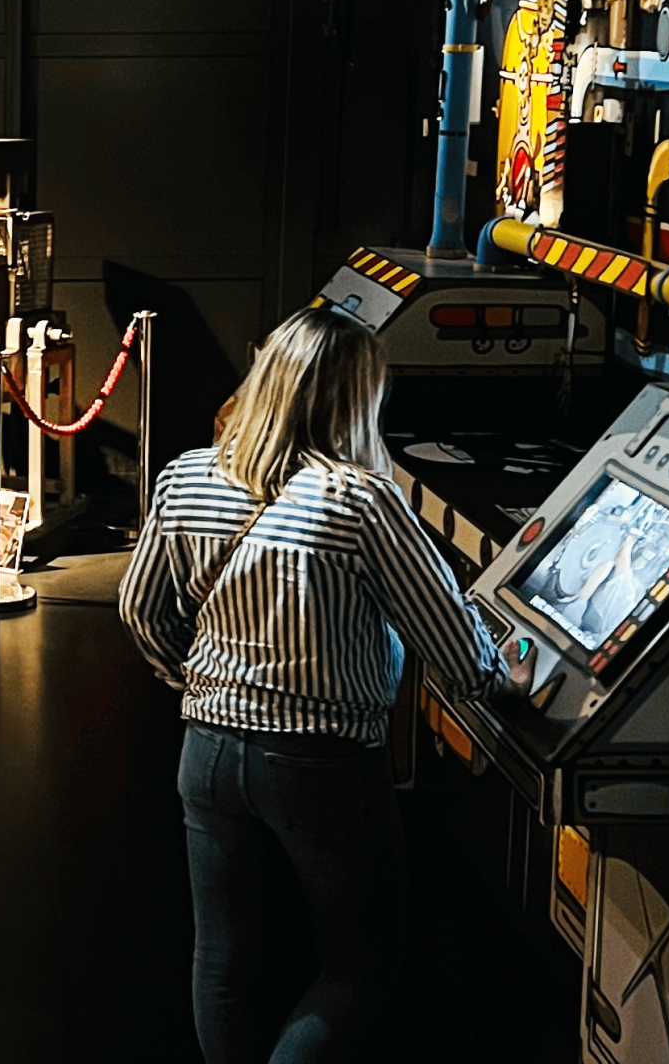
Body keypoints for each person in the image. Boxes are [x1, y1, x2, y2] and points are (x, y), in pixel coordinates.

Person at [118, 307, 532, 1064]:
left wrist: (200, 682)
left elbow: (140, 610)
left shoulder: (186, 476)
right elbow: (451, 642)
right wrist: (501, 677)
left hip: (207, 750)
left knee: (223, 961)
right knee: (360, 964)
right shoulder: (360, 501)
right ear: (357, 399)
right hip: (324, 764)